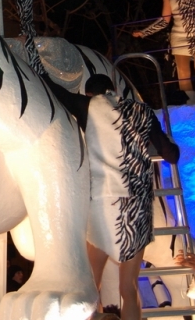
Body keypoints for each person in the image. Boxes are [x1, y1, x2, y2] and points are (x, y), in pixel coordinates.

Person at [48, 74, 180, 320]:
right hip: (137, 209)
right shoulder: (142, 111)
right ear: (115, 89)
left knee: (91, 284)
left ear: (89, 94)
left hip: (105, 204)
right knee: (128, 287)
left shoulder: (89, 106)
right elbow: (170, 155)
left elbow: (50, 86)